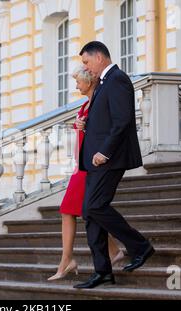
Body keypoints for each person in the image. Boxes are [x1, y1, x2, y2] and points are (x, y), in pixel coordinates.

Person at [73, 41, 155, 289]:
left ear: (99, 57)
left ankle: (140, 246)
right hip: (95, 160)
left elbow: (122, 121)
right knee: (89, 212)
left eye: (86, 62)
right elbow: (106, 119)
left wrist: (104, 152)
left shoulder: (117, 79)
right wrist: (87, 126)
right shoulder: (103, 83)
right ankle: (103, 271)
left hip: (109, 159)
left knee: (96, 206)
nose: (86, 68)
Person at [47, 65, 125, 281]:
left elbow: (105, 130)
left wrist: (85, 127)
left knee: (71, 210)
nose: (76, 85)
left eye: (78, 81)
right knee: (87, 211)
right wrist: (80, 126)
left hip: (91, 166)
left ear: (88, 81)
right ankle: (113, 251)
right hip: (81, 165)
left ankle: (67, 260)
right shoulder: (85, 104)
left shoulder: (99, 103)